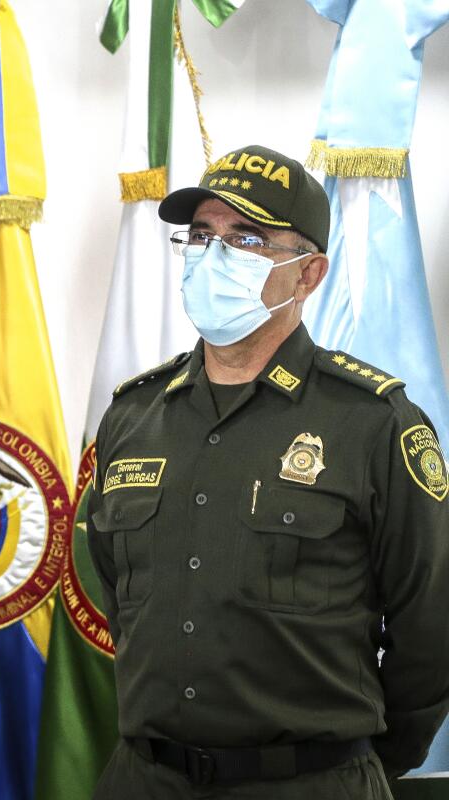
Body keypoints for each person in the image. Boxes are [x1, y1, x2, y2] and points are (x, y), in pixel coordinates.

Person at [87, 145, 449, 798]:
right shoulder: (133, 417)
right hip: (145, 781)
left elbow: (433, 629)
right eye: (201, 235)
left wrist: (356, 764)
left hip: (307, 784)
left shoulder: (373, 423)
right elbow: (118, 596)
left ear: (308, 275)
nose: (211, 255)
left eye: (245, 238)